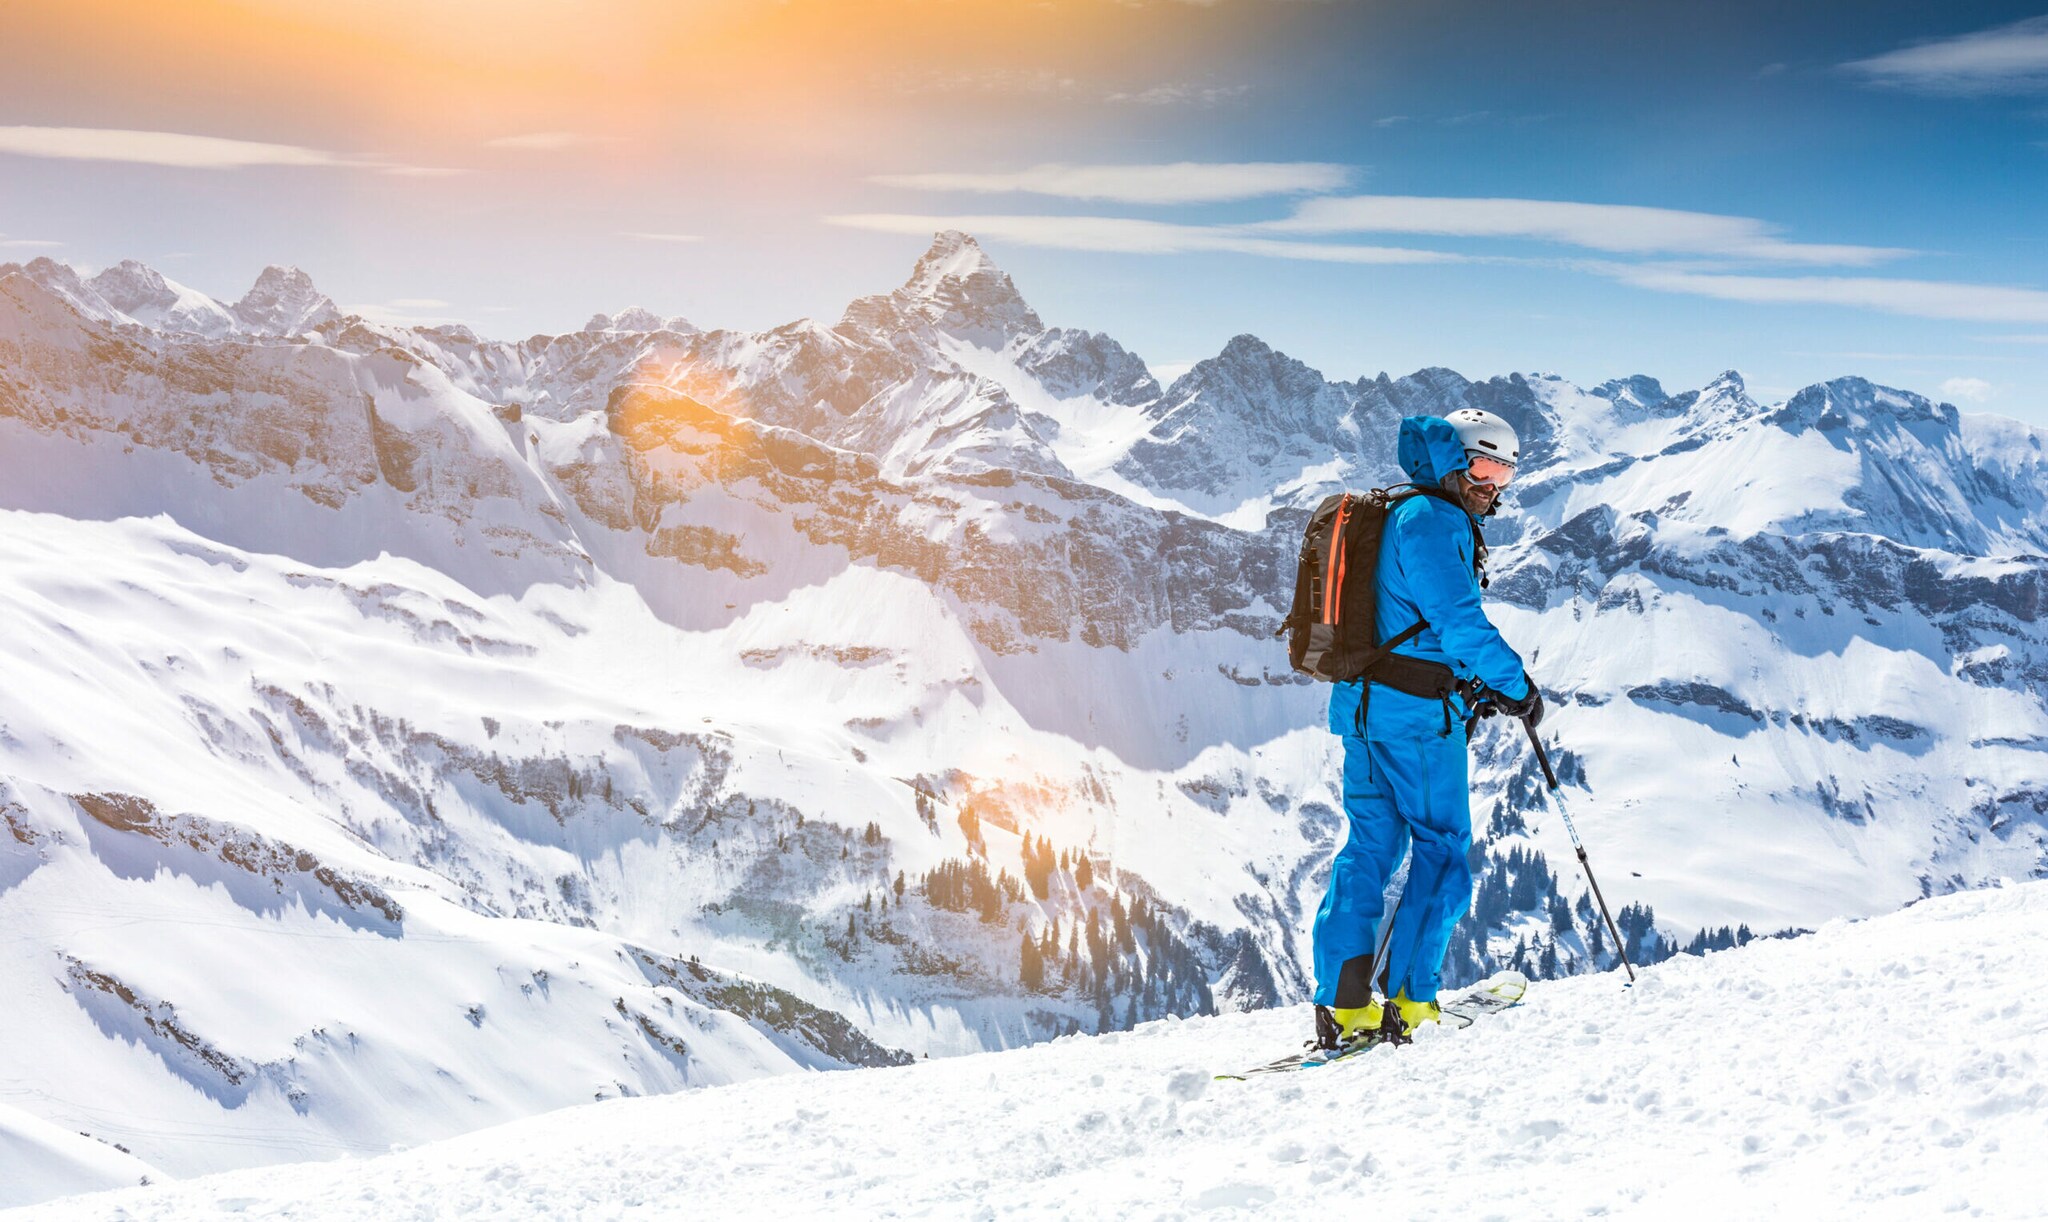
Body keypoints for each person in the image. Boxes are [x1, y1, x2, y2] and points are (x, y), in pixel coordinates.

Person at [1308, 408, 1543, 1048]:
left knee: (1368, 850)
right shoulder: (1436, 520)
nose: (1495, 483)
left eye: (1507, 471)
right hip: (1414, 720)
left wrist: (1467, 682)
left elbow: (1405, 623)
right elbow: (1459, 624)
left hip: (1361, 708)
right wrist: (1517, 688)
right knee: (1440, 848)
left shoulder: (1393, 511)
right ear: (1455, 460)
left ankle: (1343, 1004)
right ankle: (1410, 1001)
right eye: (1486, 465)